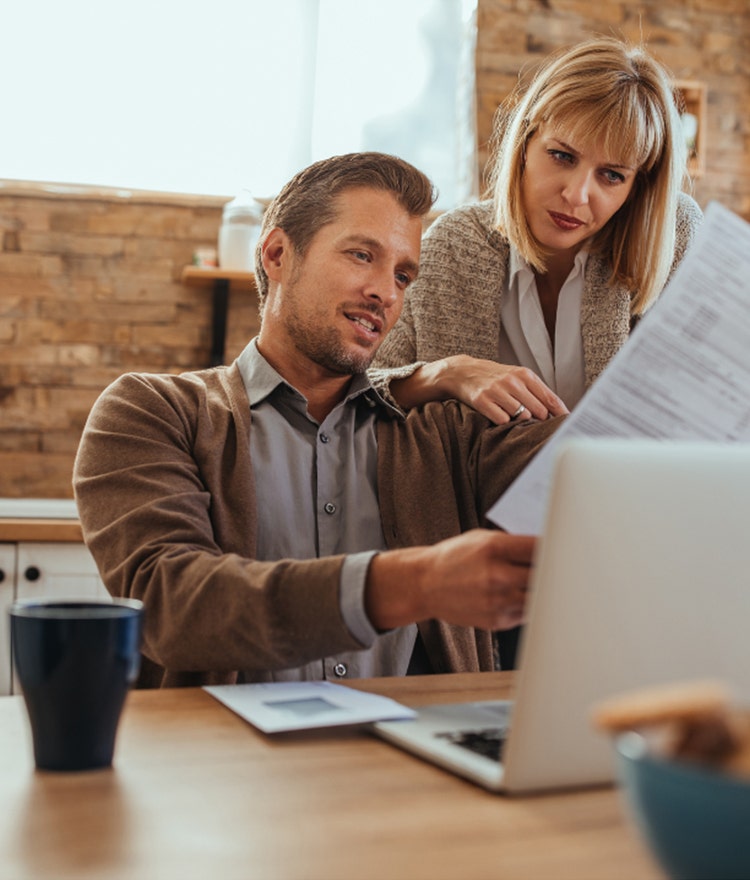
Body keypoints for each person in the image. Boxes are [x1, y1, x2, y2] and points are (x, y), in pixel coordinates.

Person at [73, 152, 561, 689]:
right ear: (278, 254)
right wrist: (414, 582)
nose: (386, 292)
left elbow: (584, 470)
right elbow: (172, 605)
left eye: (403, 274)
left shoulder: (445, 431)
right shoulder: (151, 412)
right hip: (229, 763)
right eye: (361, 255)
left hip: (412, 761)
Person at [370, 37, 704, 424]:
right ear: (526, 143)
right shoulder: (452, 245)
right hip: (480, 487)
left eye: (612, 175)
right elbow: (364, 391)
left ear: (636, 188)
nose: (577, 195)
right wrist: (448, 374)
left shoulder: (673, 236)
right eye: (562, 156)